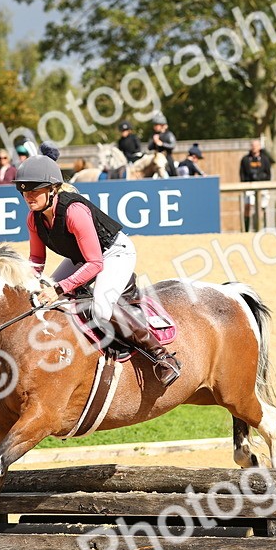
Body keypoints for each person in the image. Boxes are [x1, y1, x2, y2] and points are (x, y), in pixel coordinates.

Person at [18, 154, 181, 387]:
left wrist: (60, 288)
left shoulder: (74, 211)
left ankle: (162, 356)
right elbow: (36, 259)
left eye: (35, 189)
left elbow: (95, 264)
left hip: (114, 253)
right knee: (44, 299)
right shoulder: (34, 219)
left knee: (102, 308)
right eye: (24, 191)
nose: (28, 196)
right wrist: (31, 284)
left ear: (53, 189)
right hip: (82, 257)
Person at [239, 138, 274, 231]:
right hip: (249, 186)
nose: (254, 148)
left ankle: (261, 228)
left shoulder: (265, 159)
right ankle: (246, 230)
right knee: (248, 206)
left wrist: (263, 181)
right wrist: (245, 184)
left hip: (262, 186)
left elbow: (268, 174)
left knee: (262, 208)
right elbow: (242, 174)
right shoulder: (245, 159)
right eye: (253, 146)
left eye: (256, 146)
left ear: (259, 147)